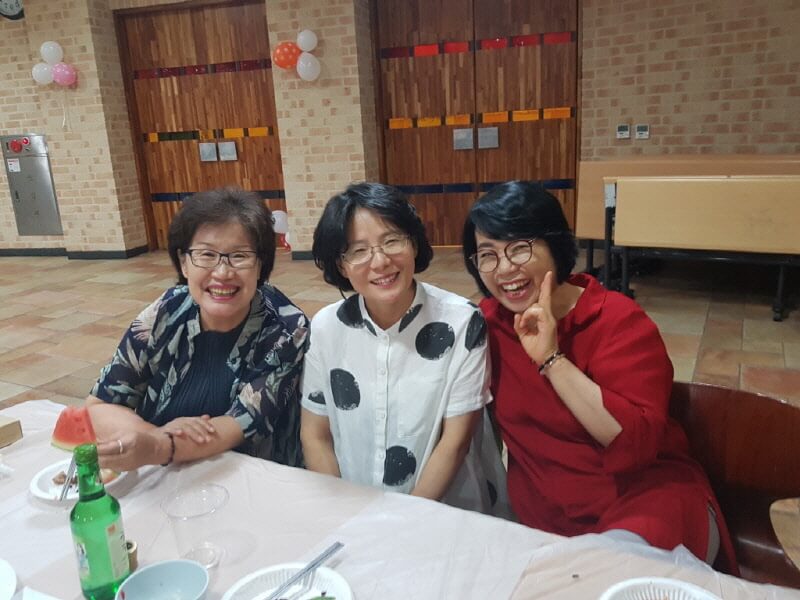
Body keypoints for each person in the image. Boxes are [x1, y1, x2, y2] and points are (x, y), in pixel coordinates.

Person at [462, 180, 737, 571]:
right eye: (487, 255)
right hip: (547, 521)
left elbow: (635, 445)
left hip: (646, 507)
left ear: (555, 245)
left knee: (611, 578)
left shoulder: (617, 321)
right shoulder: (488, 324)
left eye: (519, 247)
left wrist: (551, 359)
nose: (505, 268)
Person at [300, 182, 508, 515]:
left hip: (444, 511)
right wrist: (341, 512)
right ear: (341, 265)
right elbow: (315, 434)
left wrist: (401, 523)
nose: (380, 261)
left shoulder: (461, 322)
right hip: (353, 507)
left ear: (413, 243)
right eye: (358, 250)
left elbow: (454, 443)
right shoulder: (326, 327)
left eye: (392, 240)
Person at [86, 188, 308, 471]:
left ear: (260, 265)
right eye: (206, 254)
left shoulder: (286, 330)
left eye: (239, 256)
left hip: (245, 478)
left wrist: (158, 445)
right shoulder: (166, 310)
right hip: (162, 474)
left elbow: (236, 425)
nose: (223, 272)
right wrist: (154, 438)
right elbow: (99, 405)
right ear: (184, 263)